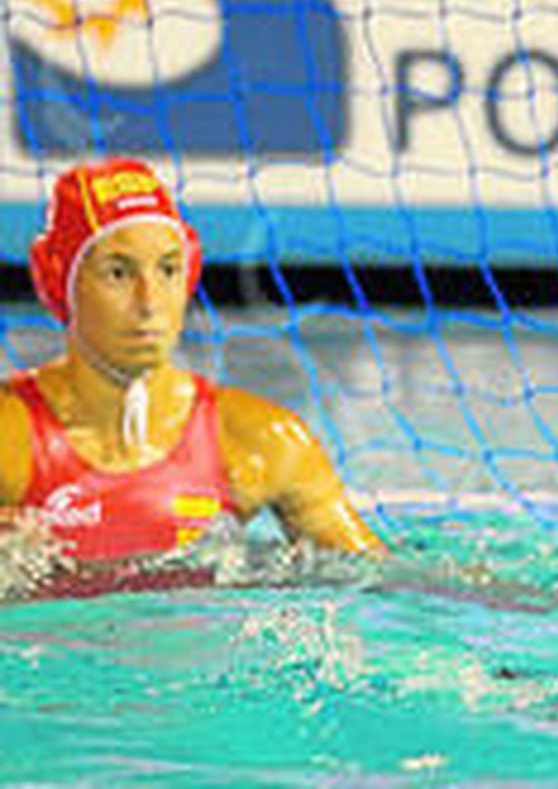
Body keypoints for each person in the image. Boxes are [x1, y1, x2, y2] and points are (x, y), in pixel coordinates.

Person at [0, 157, 386, 595]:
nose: (150, 302)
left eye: (167, 269)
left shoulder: (262, 443)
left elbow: (382, 587)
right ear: (58, 281)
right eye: (118, 273)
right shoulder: (10, 441)